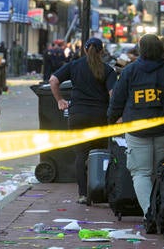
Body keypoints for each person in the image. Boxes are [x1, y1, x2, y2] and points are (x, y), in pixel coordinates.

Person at [107, 34, 164, 220]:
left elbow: (117, 100)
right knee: (161, 173)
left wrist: (111, 122)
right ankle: (161, 212)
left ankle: (150, 214)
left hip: (137, 132)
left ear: (141, 49)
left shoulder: (129, 71)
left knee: (141, 173)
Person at [49, 37, 117, 204]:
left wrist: (60, 100)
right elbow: (113, 95)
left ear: (85, 50)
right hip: (99, 116)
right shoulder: (107, 70)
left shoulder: (74, 65)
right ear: (101, 51)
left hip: (77, 115)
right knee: (100, 153)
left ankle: (83, 194)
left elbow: (53, 80)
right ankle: (99, 191)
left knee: (81, 154)